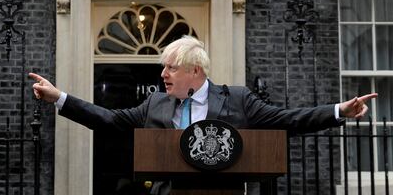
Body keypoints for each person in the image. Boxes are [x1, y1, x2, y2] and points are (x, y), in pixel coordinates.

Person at [29, 35, 377, 195]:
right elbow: (109, 121)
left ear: (195, 71)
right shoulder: (155, 105)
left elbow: (286, 120)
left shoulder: (238, 100)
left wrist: (338, 111)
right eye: (162, 67)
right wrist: (60, 98)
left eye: (171, 67)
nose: (163, 74)